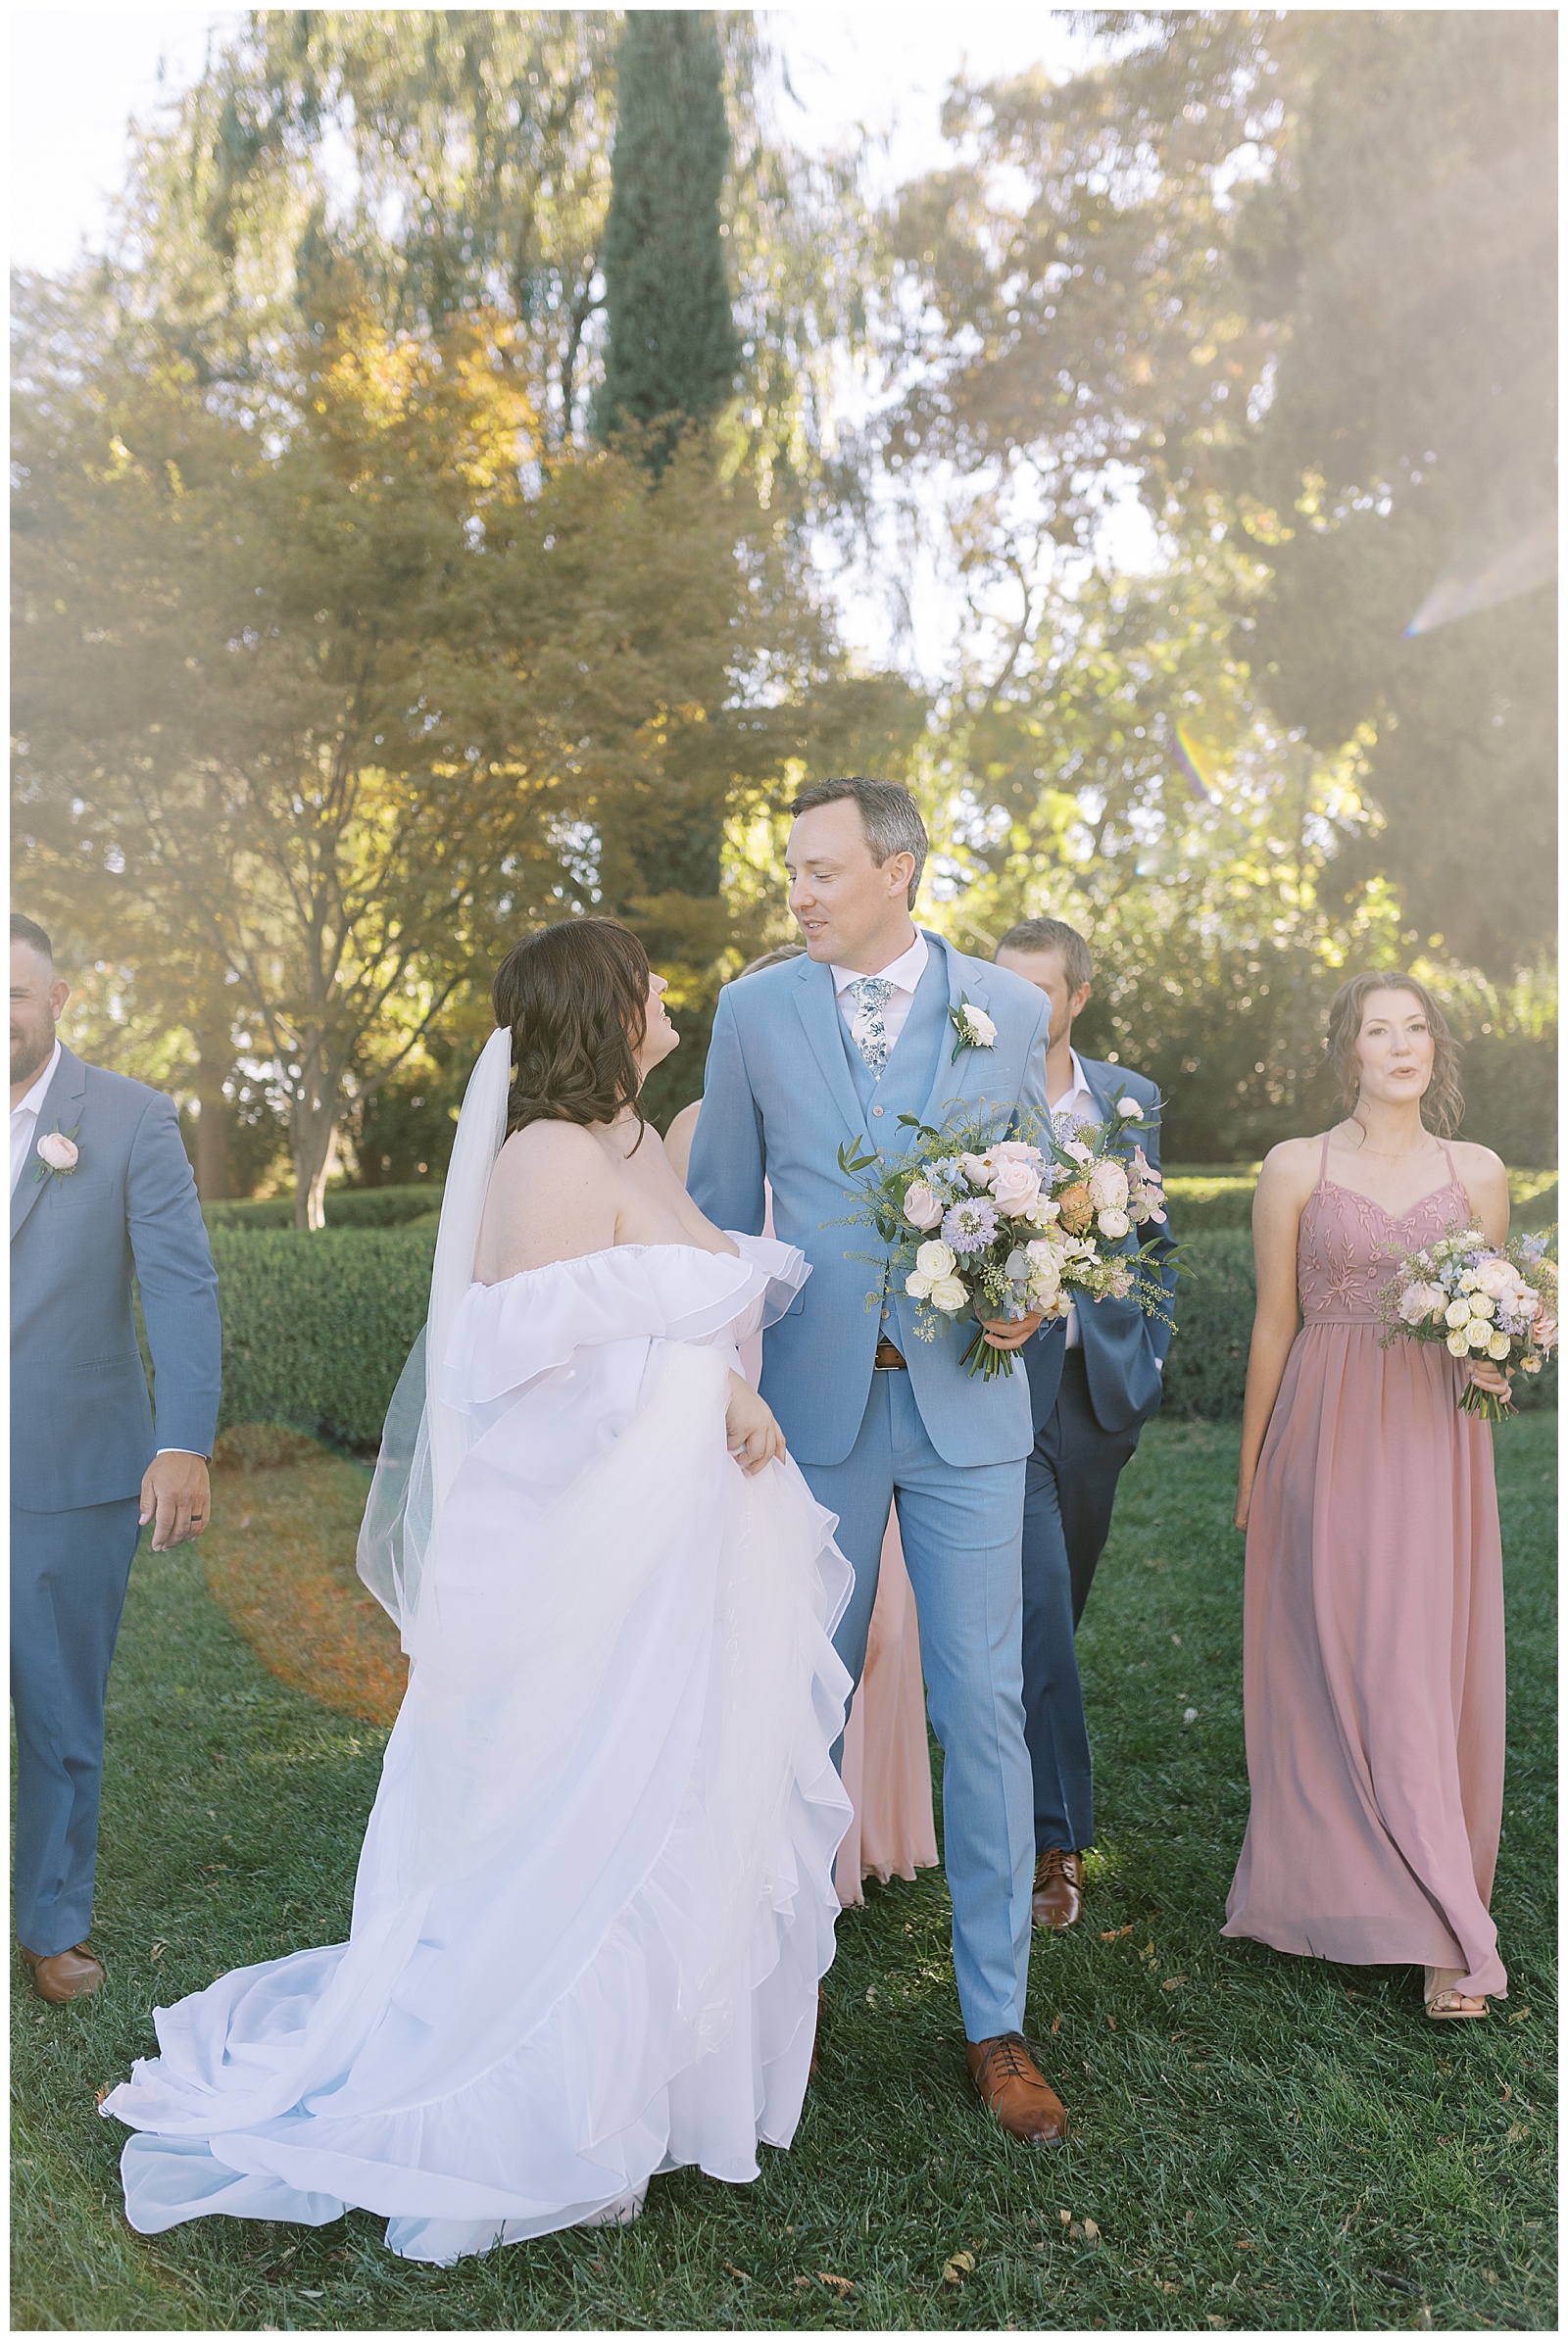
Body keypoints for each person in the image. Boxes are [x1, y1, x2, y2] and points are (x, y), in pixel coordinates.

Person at [103, 916, 854, 2263]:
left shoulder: (635, 1138)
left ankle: (650, 2089)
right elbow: (527, 1371)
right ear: (601, 1008)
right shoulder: (549, 1157)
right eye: (648, 980)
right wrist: (711, 1391)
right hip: (590, 1561)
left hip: (676, 1551)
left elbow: (646, 1309)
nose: (668, 993)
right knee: (578, 1812)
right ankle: (535, 2096)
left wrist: (723, 1375)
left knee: (668, 1798)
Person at [688, 777, 1070, 2145]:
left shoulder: (1009, 1013)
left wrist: (1038, 1294)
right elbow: (720, 1219)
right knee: (790, 1702)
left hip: (969, 1410)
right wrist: (717, 1396)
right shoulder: (751, 1011)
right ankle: (757, 1997)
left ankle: (997, 2024)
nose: (798, 894)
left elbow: (1036, 1207)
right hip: (812, 1417)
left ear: (900, 870)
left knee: (987, 1711)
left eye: (821, 871)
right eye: (790, 870)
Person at [1224, 973, 1511, 2021]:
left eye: (1416, 1027)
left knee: (1413, 1662)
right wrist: (1251, 1470)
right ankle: (1339, 1884)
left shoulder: (1476, 1171)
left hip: (1432, 1440)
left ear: (1434, 1047)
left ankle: (1444, 1927)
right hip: (1323, 1428)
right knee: (1331, 1653)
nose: (1400, 1045)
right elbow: (1271, 1326)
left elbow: (1494, 1318)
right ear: (1347, 1051)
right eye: (1377, 1030)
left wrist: (1496, 1365)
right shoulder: (1296, 1165)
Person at [668, 952, 939, 1909]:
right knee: (778, 1620)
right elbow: (680, 1268)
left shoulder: (868, 1121)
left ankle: (863, 1830)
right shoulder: (694, 1126)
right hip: (750, 1385)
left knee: (883, 1628)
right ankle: (773, 1851)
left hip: (865, 1390)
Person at [11, 912, 220, 2006]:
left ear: (56, 1002)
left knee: (53, 1702)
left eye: (18, 992)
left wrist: (181, 1439)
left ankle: (50, 1922)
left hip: (64, 1467)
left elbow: (181, 1284)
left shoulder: (131, 1119)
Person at [995, 916, 1177, 1932]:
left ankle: (1016, 1777)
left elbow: (1157, 1238)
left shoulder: (1129, 1097)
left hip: (1097, 1394)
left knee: (1053, 1614)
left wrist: (1143, 1364)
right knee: (1036, 1599)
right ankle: (1055, 1843)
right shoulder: (967, 1093)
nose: (1022, 1009)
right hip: (996, 1387)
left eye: (1039, 992)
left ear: (1076, 999)